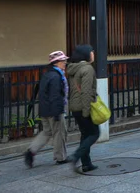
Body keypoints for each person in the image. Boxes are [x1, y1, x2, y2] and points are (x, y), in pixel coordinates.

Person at [24, 51, 69, 168]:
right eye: (63, 61)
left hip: (44, 109)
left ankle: (31, 151)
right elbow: (55, 96)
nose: (65, 63)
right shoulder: (56, 76)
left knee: (46, 132)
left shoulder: (47, 74)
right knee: (59, 133)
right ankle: (61, 157)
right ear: (57, 62)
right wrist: (57, 112)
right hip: (54, 110)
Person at [66, 44, 99, 173]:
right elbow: (85, 92)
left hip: (74, 106)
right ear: (87, 55)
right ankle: (76, 156)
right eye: (92, 52)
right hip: (84, 106)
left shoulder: (73, 68)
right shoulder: (87, 69)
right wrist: (87, 111)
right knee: (94, 133)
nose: (93, 54)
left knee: (85, 134)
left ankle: (86, 164)